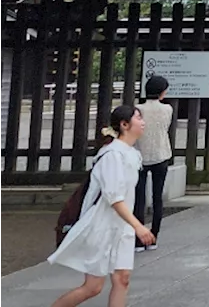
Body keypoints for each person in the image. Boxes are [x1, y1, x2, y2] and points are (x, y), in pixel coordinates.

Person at [48, 105, 155, 307]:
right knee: (93, 287)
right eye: (138, 118)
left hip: (121, 226)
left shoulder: (131, 153)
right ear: (124, 125)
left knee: (122, 279)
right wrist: (138, 226)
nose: (143, 122)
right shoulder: (112, 155)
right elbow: (114, 198)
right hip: (102, 225)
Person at [132, 76, 173, 250]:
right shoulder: (167, 109)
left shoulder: (137, 109)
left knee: (138, 198)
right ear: (163, 92)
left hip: (140, 154)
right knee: (157, 197)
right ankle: (154, 236)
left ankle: (139, 238)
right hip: (161, 154)